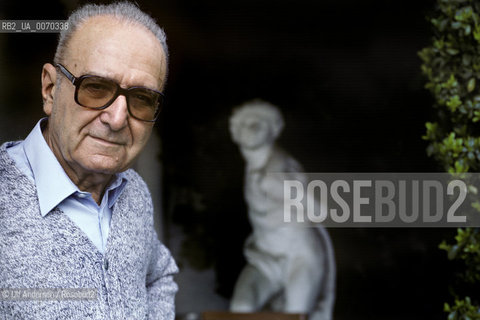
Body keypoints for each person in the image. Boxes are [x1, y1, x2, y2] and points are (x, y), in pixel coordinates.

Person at [0, 2, 178, 319]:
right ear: (50, 89)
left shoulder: (132, 192)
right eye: (95, 87)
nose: (117, 118)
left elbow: (159, 274)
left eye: (142, 99)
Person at [229, 100, 335, 320]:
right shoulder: (252, 166)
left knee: (295, 314)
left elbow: (319, 211)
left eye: (259, 124)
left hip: (299, 253)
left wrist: (284, 188)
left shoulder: (282, 165)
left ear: (273, 131)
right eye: (246, 124)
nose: (251, 129)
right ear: (236, 132)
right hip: (265, 255)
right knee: (241, 306)